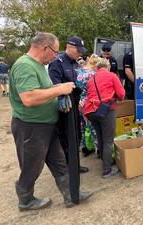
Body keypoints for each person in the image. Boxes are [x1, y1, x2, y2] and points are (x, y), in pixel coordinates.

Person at [9, 32, 92, 211]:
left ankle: (71, 195)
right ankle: (25, 200)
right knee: (32, 166)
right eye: (54, 51)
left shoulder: (38, 65)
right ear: (45, 48)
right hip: (31, 126)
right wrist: (59, 89)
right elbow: (29, 98)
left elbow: (41, 90)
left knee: (59, 162)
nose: (56, 55)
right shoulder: (25, 66)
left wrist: (56, 90)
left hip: (46, 125)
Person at [48, 36, 89, 173]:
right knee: (66, 138)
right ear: (70, 47)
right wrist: (61, 95)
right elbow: (55, 85)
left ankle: (75, 164)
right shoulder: (57, 63)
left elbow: (76, 83)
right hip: (64, 108)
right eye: (78, 51)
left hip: (74, 105)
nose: (80, 54)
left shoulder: (74, 63)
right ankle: (68, 167)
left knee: (77, 136)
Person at [84, 58, 125, 178]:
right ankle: (107, 170)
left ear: (97, 68)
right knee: (108, 141)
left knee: (101, 138)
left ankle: (105, 161)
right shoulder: (111, 76)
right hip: (106, 110)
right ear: (108, 67)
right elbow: (121, 94)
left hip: (91, 111)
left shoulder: (92, 78)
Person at [76, 54, 101, 156]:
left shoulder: (79, 71)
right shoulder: (93, 74)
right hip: (91, 103)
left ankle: (85, 147)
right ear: (96, 64)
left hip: (80, 102)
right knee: (93, 126)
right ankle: (98, 149)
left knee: (83, 125)